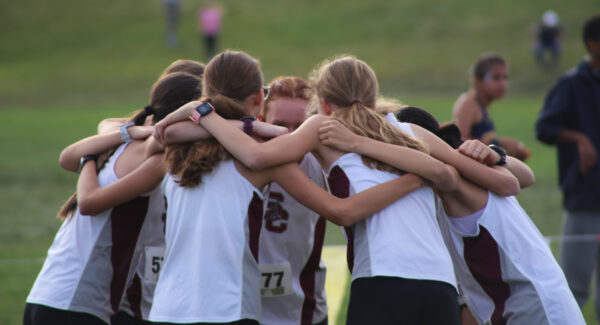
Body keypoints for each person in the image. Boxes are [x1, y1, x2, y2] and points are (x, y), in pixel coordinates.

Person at [157, 55, 522, 324]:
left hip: (359, 289)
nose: (292, 130)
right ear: (260, 103)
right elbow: (490, 178)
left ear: (324, 106)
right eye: (281, 123)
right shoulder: (409, 136)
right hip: (434, 288)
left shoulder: (319, 138)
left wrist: (204, 114)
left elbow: (250, 155)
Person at [23, 72, 203, 325]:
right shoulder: (153, 158)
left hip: (46, 295)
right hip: (78, 303)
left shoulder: (121, 142)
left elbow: (70, 155)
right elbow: (88, 202)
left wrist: (91, 157)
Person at [386, 106, 583, 324]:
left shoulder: (455, 184)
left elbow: (512, 183)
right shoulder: (469, 175)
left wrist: (495, 153)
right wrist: (496, 155)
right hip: (526, 304)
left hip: (533, 306)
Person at [535, 14, 600, 322]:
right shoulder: (572, 84)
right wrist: (579, 139)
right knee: (574, 285)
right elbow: (545, 127)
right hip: (585, 194)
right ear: (592, 45)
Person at [258, 76, 329, 325]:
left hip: (303, 311)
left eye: (299, 127)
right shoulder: (240, 160)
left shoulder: (323, 166)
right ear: (261, 120)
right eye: (279, 125)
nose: (289, 136)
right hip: (244, 310)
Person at [452, 53, 531, 161]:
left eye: (505, 78)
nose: (502, 83)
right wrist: (499, 143)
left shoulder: (480, 104)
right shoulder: (469, 103)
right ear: (477, 81)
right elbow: (458, 144)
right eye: (496, 77)